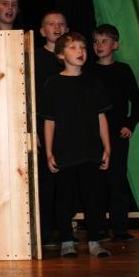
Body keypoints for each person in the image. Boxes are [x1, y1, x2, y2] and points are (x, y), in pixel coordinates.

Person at [41, 31, 112, 258]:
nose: (80, 51)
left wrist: (107, 147)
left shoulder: (94, 82)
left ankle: (94, 241)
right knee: (64, 197)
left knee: (93, 197)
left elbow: (101, 116)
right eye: (73, 48)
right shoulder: (53, 84)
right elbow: (49, 121)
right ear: (60, 55)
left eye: (82, 47)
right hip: (65, 150)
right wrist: (49, 152)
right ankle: (66, 241)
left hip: (91, 149)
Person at [89, 24, 139, 240]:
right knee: (97, 182)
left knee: (117, 179)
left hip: (118, 134)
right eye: (96, 41)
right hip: (93, 135)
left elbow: (136, 100)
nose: (99, 45)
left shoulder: (123, 70)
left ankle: (119, 227)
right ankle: (99, 227)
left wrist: (130, 124)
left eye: (104, 41)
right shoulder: (88, 71)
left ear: (115, 45)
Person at [34, 11, 68, 248]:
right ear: (42, 31)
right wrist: (33, 129)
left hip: (70, 128)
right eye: (51, 24)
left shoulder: (74, 56)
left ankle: (65, 230)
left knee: (68, 182)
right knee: (45, 184)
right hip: (43, 127)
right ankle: (45, 232)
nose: (57, 28)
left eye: (61, 24)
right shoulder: (34, 57)